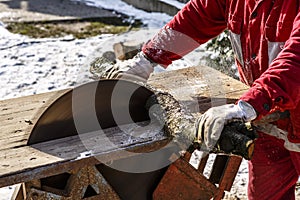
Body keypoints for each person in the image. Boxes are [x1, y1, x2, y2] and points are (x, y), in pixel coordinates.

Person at [98, 0, 300, 199]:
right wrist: (148, 59)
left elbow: (296, 59)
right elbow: (198, 16)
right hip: (268, 119)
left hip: (269, 107)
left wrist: (251, 104)